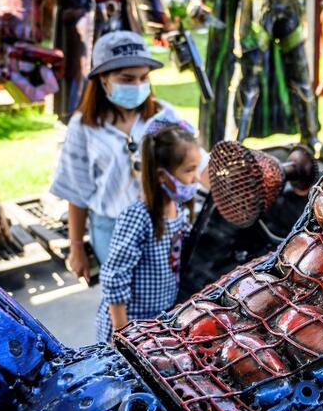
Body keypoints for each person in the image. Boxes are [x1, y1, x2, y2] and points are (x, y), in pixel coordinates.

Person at [50, 30, 207, 283]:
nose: (137, 86)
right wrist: (76, 246)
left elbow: (198, 164)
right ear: (103, 79)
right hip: (110, 231)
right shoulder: (84, 126)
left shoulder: (164, 116)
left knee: (162, 296)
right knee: (121, 298)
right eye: (127, 79)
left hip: (162, 228)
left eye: (143, 78)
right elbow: (76, 192)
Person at [96, 123, 201, 342]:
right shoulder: (138, 217)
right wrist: (122, 334)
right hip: (130, 326)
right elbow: (114, 276)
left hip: (155, 323)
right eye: (189, 170)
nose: (196, 178)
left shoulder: (178, 210)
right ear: (162, 176)